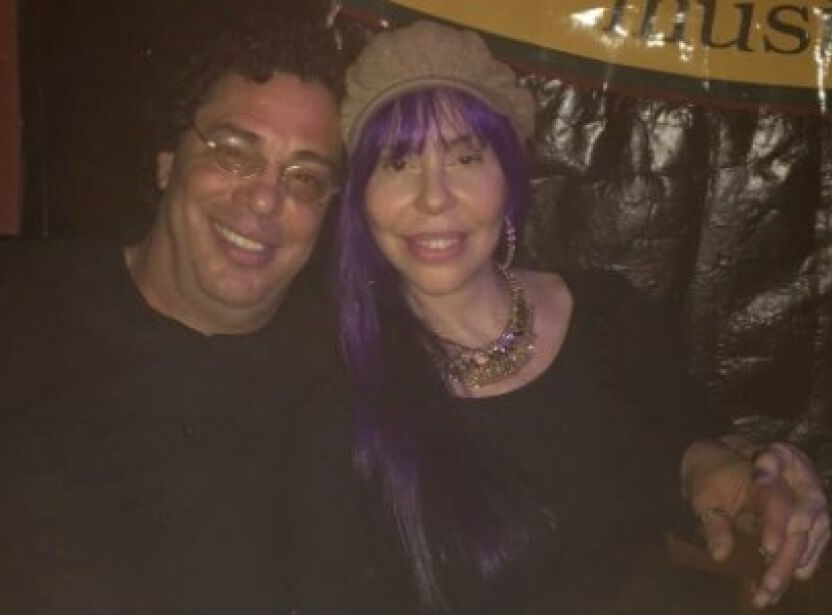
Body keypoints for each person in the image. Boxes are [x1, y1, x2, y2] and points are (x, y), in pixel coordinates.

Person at [291, 19, 829, 614]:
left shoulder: (607, 313)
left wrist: (756, 476)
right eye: (398, 163)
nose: (435, 197)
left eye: (466, 157)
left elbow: (695, 446)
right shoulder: (330, 379)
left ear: (508, 175)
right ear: (360, 199)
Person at [0, 12, 345, 613]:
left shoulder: (345, 387)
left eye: (305, 179)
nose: (265, 198)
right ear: (168, 161)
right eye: (233, 152)